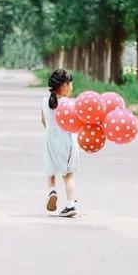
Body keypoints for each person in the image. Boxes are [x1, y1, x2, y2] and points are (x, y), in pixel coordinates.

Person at [41, 68, 79, 217]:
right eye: (70, 84)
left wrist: (52, 133)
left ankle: (52, 191)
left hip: (50, 140)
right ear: (64, 86)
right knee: (68, 175)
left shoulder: (45, 102)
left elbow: (44, 121)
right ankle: (70, 205)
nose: (71, 87)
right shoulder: (68, 103)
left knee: (50, 172)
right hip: (67, 140)